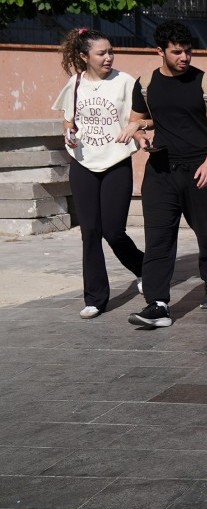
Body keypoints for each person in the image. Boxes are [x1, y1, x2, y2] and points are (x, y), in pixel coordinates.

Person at [124, 21, 207, 329]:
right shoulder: (145, 84)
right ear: (160, 51)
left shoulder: (206, 82)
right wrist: (140, 137)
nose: (184, 57)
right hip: (160, 170)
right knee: (158, 238)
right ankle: (158, 304)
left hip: (199, 169)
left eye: (188, 51)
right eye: (177, 52)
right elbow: (137, 121)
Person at [52, 28, 145, 320]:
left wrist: (135, 129)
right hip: (83, 163)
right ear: (84, 56)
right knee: (89, 231)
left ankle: (144, 268)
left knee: (113, 230)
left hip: (116, 161)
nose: (108, 57)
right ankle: (95, 298)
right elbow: (68, 120)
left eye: (110, 51)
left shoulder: (125, 82)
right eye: (101, 53)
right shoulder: (75, 83)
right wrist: (68, 132)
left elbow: (143, 117)